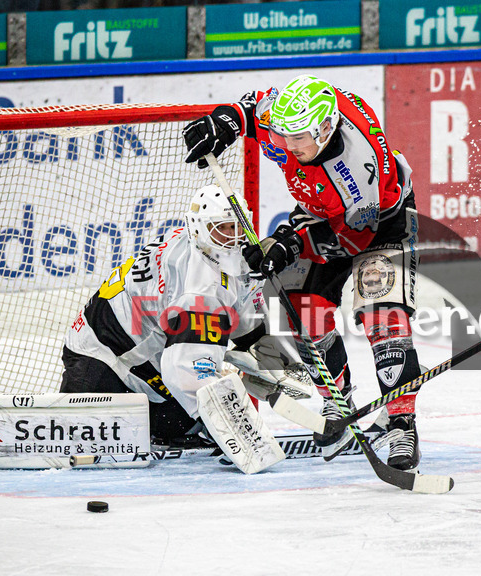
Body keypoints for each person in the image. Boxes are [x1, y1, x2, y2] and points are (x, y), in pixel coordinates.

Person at [182, 75, 425, 471]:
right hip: (320, 212)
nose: (287, 146)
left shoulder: (357, 171)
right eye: (283, 135)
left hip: (380, 220)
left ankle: (401, 423)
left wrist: (289, 243)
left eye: (297, 139)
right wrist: (223, 121)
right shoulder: (293, 118)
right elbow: (252, 106)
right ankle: (338, 401)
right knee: (299, 306)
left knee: (383, 314)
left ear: (326, 130)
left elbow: (352, 238)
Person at [60, 184, 308, 449]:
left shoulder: (210, 251)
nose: (233, 237)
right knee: (77, 439)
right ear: (200, 227)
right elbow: (185, 370)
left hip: (148, 359)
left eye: (236, 226)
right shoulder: (199, 287)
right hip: (102, 354)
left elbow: (243, 319)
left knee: (182, 429)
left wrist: (273, 362)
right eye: (222, 228)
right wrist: (230, 429)